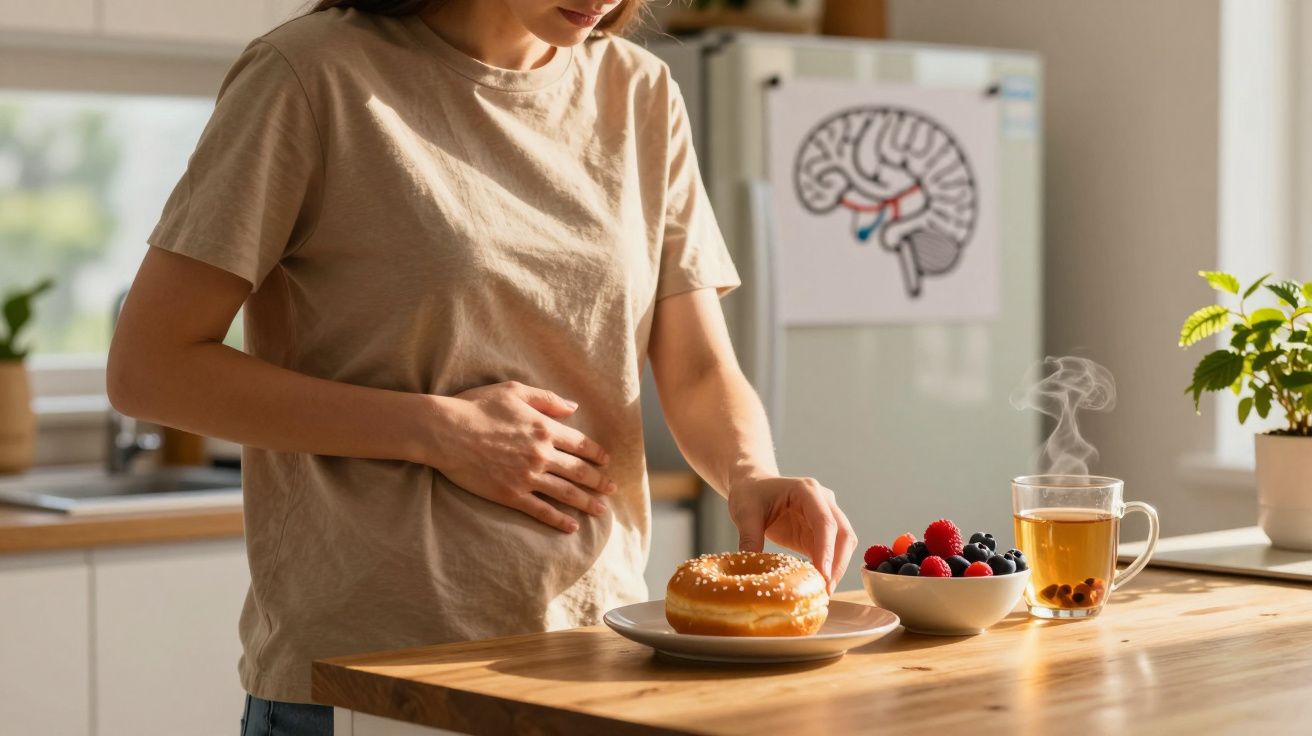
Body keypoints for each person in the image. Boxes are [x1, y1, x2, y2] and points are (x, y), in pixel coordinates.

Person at [106, 1, 858, 734]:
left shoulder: (639, 90)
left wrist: (751, 472)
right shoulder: (310, 74)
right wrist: (438, 431)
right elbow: (150, 366)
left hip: (590, 661)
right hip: (372, 679)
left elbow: (696, 367)